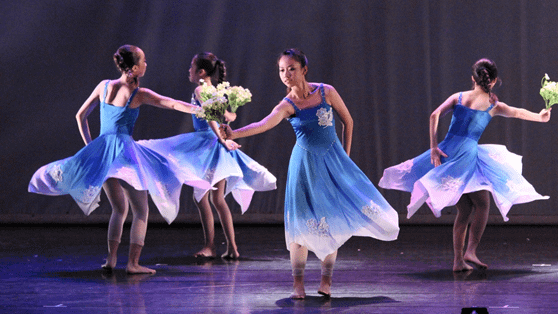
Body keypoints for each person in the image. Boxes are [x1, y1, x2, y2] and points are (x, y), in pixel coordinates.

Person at [222, 49, 399, 299]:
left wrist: (344, 158)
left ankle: (326, 281)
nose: (286, 74)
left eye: (291, 68)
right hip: (304, 167)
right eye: (282, 70)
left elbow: (348, 121)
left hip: (333, 162)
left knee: (331, 221)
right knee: (300, 224)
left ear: (304, 69)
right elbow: (263, 124)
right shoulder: (287, 105)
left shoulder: (327, 92)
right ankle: (298, 284)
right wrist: (234, 133)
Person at [29, 45, 211, 274]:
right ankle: (133, 264)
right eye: (144, 61)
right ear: (134, 68)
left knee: (118, 209)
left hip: (103, 153)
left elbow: (80, 115)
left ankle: (111, 260)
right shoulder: (138, 94)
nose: (147, 64)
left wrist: (93, 148)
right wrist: (203, 110)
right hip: (125, 155)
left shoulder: (104, 86)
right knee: (141, 211)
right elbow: (172, 104)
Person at [379, 58, 551, 272]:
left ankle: (458, 261)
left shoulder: (458, 97)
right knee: (483, 204)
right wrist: (540, 117)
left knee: (465, 208)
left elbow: (435, 115)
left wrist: (433, 147)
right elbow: (516, 112)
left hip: (447, 151)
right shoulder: (493, 105)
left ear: (473, 78)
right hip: (467, 155)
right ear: (495, 80)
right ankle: (470, 251)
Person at [138, 52, 277, 259]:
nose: (189, 70)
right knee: (217, 199)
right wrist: (230, 117)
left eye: (191, 67)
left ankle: (211, 246)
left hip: (207, 145)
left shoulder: (201, 89)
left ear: (201, 72)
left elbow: (211, 116)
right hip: (216, 145)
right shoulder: (214, 90)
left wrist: (222, 138)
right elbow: (226, 116)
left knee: (204, 198)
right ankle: (232, 248)